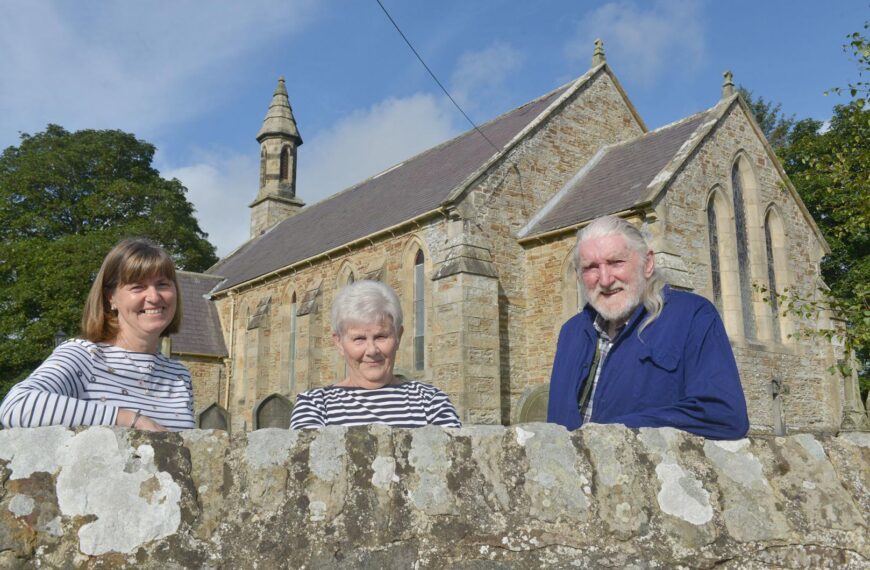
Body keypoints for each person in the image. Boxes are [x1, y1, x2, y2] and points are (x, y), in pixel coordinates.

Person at [547, 216, 749, 439]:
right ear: (579, 276)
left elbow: (724, 415)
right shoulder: (571, 333)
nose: (605, 280)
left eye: (616, 262)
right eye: (591, 267)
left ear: (648, 263)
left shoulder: (692, 316)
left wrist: (609, 434)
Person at [0, 238, 194, 431]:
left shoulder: (178, 375)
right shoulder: (85, 356)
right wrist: (128, 419)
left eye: (162, 285)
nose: (153, 296)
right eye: (137, 287)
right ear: (111, 297)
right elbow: (16, 406)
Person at [290, 280, 461, 429]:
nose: (372, 350)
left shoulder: (431, 401)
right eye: (359, 339)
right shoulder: (315, 406)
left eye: (380, 336)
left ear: (398, 336)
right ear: (339, 343)